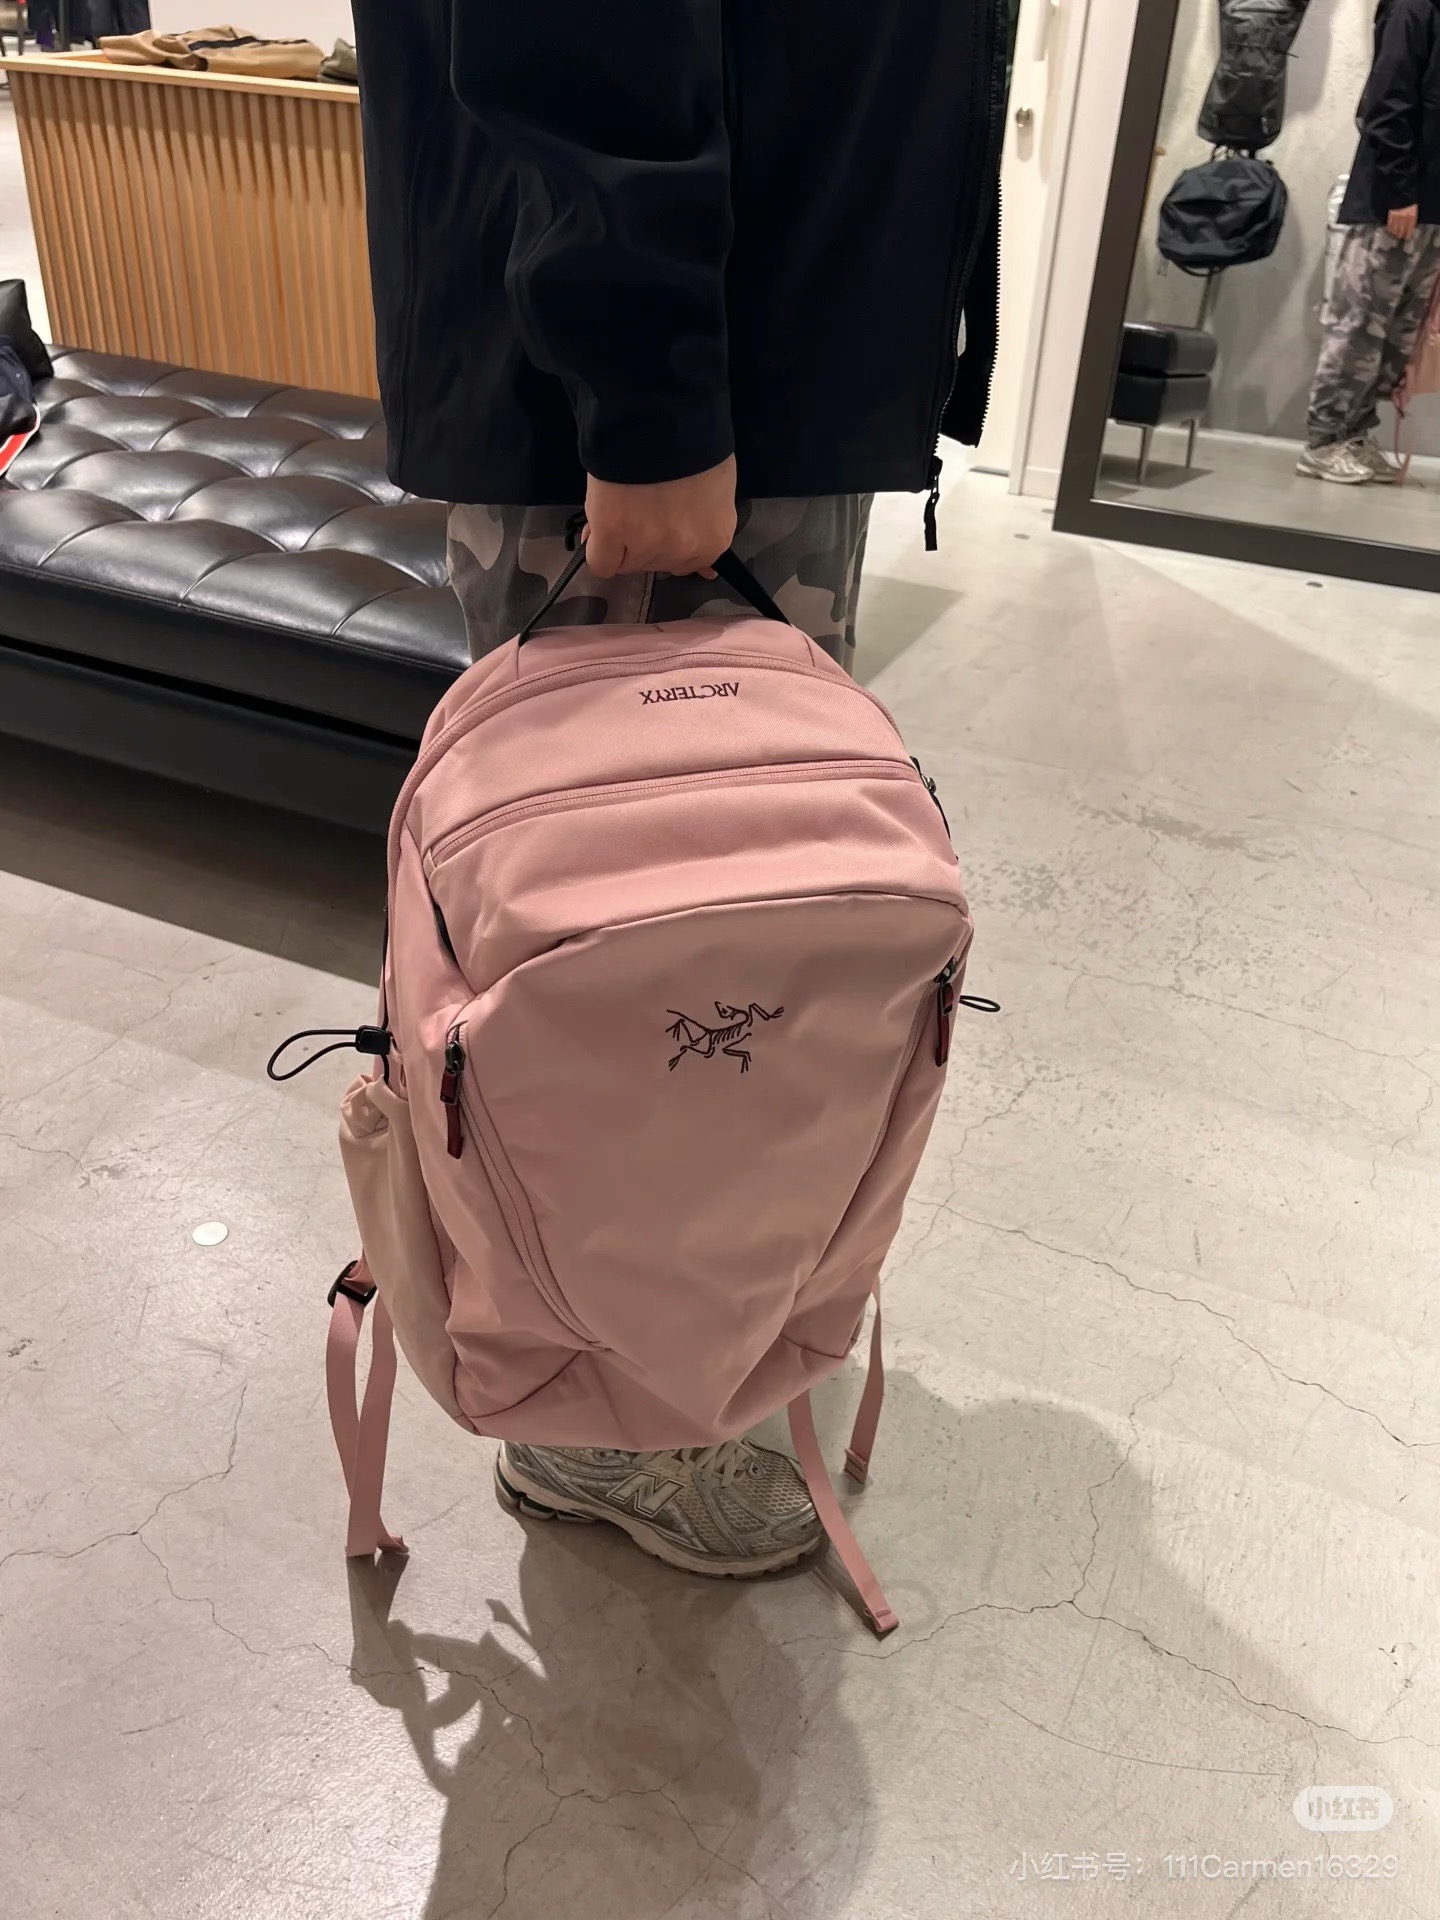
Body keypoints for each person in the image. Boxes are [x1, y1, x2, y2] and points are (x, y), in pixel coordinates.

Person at [350, 0, 1004, 1576]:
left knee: (724, 927)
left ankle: (665, 1357)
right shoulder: (657, 380)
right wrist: (642, 389)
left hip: (753, 332)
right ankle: (595, 1424)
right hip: (667, 366)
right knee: (630, 953)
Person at [1300, 0, 1440, 484]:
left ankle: (1354, 435)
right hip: (1393, 205)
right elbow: (1386, 103)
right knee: (1359, 326)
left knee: (1398, 335)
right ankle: (1323, 443)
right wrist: (1399, 192)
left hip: (1430, 208)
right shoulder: (1413, 9)